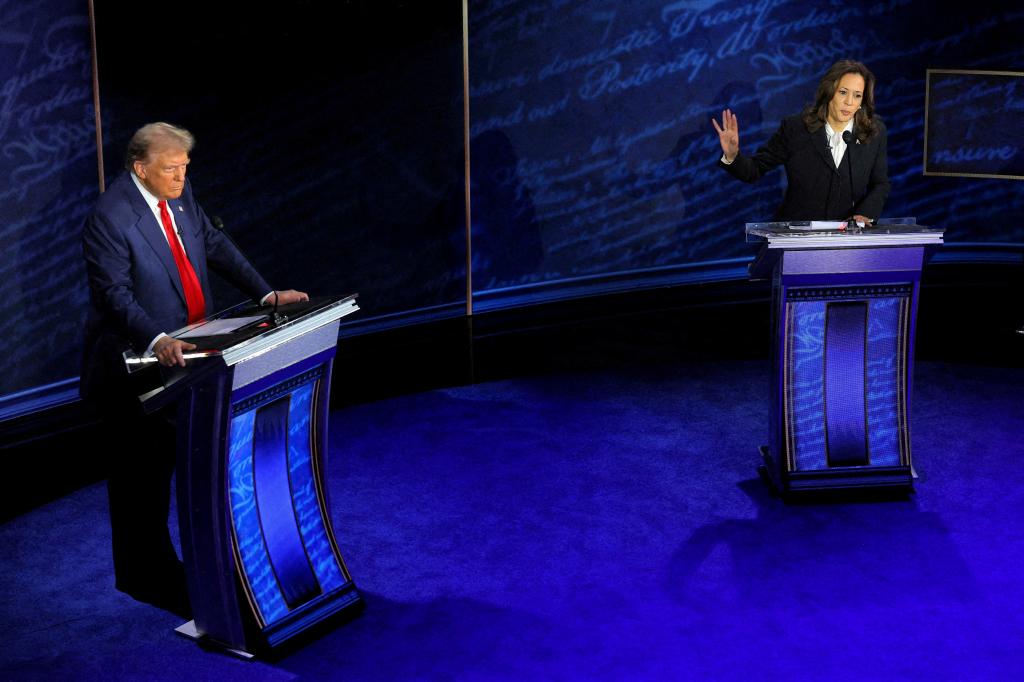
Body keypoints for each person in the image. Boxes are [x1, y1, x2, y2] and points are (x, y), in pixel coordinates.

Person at [81, 122, 308, 617]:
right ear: (141, 169)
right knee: (142, 478)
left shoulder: (180, 194)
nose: (181, 177)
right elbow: (114, 295)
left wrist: (265, 294)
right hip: (134, 369)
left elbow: (214, 244)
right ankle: (145, 575)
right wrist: (157, 338)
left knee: (182, 461)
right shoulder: (110, 217)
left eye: (185, 168)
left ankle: (190, 570)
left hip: (191, 362)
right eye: (171, 169)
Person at [712, 60, 890, 224]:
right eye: (843, 92)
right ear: (829, 92)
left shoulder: (873, 132)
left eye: (857, 95)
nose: (849, 102)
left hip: (847, 240)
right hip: (797, 236)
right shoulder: (796, 129)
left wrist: (864, 214)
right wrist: (732, 155)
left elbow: (880, 184)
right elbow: (754, 170)